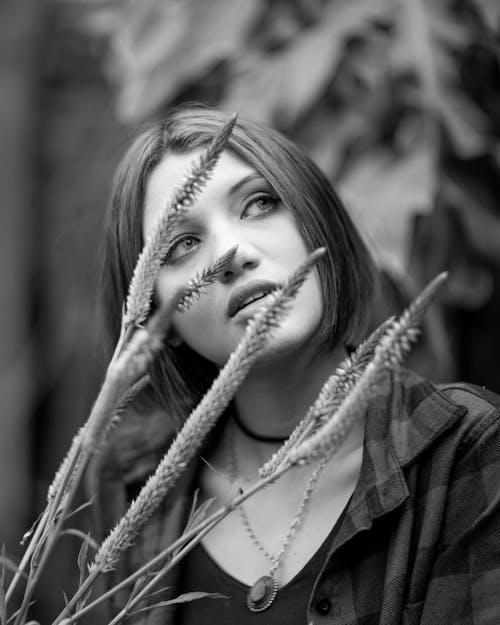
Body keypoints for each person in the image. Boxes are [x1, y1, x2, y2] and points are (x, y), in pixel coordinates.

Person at [93, 104, 500, 625]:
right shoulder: (132, 484)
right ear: (152, 319)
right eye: (183, 243)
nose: (232, 253)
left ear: (319, 221)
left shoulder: (464, 452)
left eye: (259, 203)